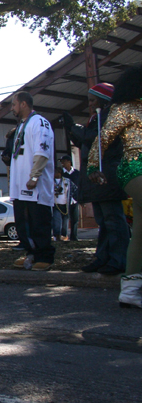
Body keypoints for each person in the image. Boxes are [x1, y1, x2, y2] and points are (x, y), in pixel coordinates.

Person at [87, 66, 142, 308]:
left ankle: (130, 290)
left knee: (139, 229)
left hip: (132, 172)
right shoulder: (124, 108)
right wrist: (91, 168)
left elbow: (101, 140)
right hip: (135, 168)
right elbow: (101, 140)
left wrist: (91, 167)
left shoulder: (128, 108)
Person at [62, 82, 128, 274]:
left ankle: (118, 260)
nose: (89, 103)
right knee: (104, 220)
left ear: (104, 99)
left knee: (113, 220)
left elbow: (94, 138)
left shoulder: (111, 115)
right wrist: (72, 130)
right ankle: (103, 257)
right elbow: (85, 140)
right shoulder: (96, 117)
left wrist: (73, 127)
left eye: (92, 99)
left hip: (107, 175)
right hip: (97, 176)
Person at [8, 92, 56, 271]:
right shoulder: (21, 126)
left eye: (14, 105)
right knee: (24, 223)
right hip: (20, 186)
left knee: (39, 221)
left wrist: (34, 176)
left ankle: (45, 256)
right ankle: (31, 254)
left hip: (34, 186)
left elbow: (42, 151)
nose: (12, 108)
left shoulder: (40, 123)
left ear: (23, 104)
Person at [60, 155, 80, 241]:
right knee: (65, 218)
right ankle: (64, 236)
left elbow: (80, 186)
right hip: (65, 199)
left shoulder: (77, 173)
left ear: (69, 162)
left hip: (74, 200)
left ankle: (74, 237)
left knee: (75, 218)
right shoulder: (62, 174)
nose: (62, 164)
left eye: (64, 161)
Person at [52, 167, 70, 241]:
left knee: (65, 222)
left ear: (59, 173)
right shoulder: (51, 181)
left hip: (65, 204)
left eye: (56, 172)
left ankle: (64, 235)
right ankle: (57, 236)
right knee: (57, 220)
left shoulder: (66, 181)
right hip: (56, 203)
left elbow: (71, 191)